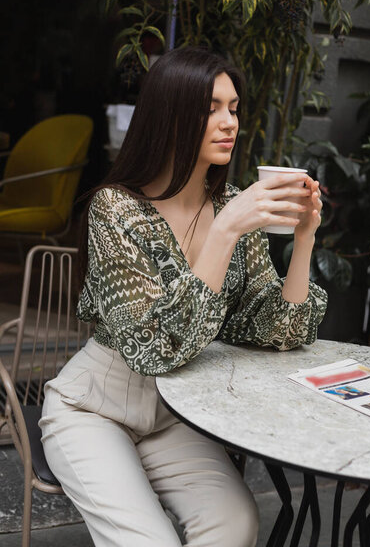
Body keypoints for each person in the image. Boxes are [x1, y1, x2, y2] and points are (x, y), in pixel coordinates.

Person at [39, 46, 327, 547]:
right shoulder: (117, 209)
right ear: (170, 113)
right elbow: (154, 348)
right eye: (210, 108)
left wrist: (304, 239)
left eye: (233, 108)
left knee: (236, 524)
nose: (228, 122)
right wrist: (225, 232)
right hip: (93, 408)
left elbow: (279, 329)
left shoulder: (231, 205)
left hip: (177, 415)